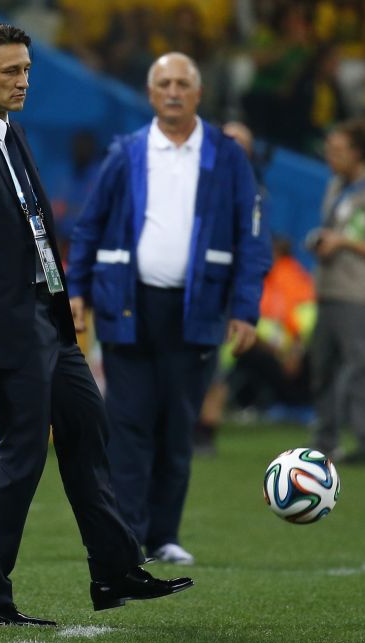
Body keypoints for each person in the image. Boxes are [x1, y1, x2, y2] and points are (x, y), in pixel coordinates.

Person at [0, 22, 193, 627]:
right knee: (20, 456)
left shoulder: (7, 134)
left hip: (46, 318)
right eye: (11, 71)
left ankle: (115, 570)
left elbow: (31, 225)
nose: (23, 81)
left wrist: (61, 296)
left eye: (27, 70)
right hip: (9, 327)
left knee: (89, 430)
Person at [68, 52, 271, 565]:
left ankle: (164, 535)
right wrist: (76, 291)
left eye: (183, 83)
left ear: (198, 94)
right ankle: (128, 534)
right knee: (128, 426)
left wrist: (245, 308)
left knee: (177, 428)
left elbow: (252, 238)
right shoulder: (127, 152)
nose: (174, 91)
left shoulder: (227, 157)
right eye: (165, 83)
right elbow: (89, 226)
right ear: (151, 93)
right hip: (128, 307)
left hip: (197, 312)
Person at [305, 121, 365, 466]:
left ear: (358, 154)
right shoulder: (335, 187)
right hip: (328, 289)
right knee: (322, 370)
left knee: (362, 368)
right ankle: (325, 441)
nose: (331, 157)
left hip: (357, 294)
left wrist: (343, 242)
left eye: (338, 151)